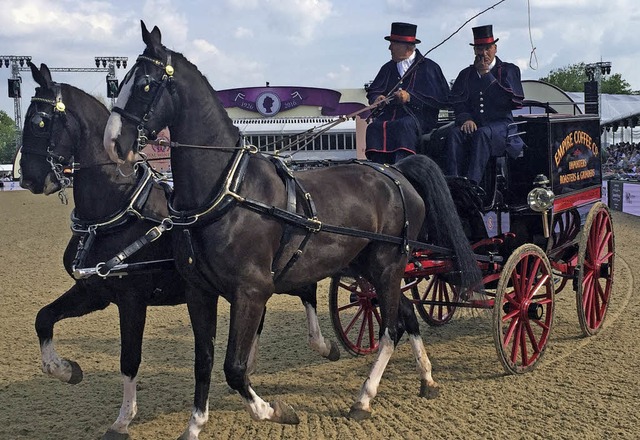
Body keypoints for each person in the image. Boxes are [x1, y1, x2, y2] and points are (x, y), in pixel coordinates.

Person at [443, 24, 525, 184]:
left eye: (488, 48)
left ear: (495, 48)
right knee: (454, 134)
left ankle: (473, 185)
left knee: (482, 134)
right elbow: (458, 102)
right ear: (475, 51)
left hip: (501, 126)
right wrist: (466, 118)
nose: (484, 53)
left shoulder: (509, 70)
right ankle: (453, 183)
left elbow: (507, 101)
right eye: (480, 49)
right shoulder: (465, 74)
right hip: (474, 124)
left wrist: (486, 75)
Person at [365, 22, 450, 164]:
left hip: (419, 118)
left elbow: (442, 98)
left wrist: (410, 97)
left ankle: (402, 168)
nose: (389, 48)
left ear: (408, 47)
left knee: (403, 126)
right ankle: (378, 167)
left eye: (393, 44)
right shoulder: (387, 68)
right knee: (374, 127)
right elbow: (374, 90)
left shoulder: (430, 67)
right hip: (390, 116)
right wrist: (376, 98)